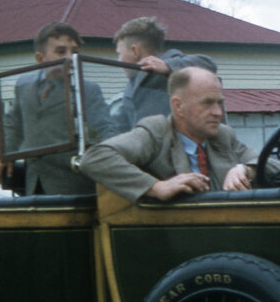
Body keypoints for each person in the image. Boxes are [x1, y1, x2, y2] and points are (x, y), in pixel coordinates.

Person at [80, 66, 257, 202]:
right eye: (208, 103)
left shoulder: (222, 135)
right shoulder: (156, 132)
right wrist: (156, 187)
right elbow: (95, 158)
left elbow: (270, 162)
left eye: (220, 103)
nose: (218, 112)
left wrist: (244, 169)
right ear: (178, 106)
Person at [0, 22, 116, 194]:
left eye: (74, 52)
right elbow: (13, 124)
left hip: (73, 184)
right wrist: (3, 155)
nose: (69, 57)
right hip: (32, 182)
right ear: (40, 58)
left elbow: (106, 131)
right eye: (61, 51)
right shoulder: (24, 85)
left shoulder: (87, 90)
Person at [111, 17, 218, 132]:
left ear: (135, 51)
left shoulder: (170, 63)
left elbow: (209, 64)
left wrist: (168, 66)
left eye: (119, 54)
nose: (119, 60)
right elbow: (120, 126)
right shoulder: (131, 85)